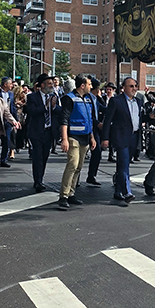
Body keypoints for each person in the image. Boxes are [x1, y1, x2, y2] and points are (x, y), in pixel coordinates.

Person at [58, 75, 97, 209]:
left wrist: (92, 137)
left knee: (79, 167)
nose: (91, 87)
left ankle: (71, 193)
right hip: (73, 136)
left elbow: (89, 120)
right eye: (89, 84)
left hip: (85, 137)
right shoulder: (69, 99)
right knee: (72, 165)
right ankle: (63, 195)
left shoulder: (87, 99)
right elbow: (64, 120)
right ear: (82, 86)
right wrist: (64, 139)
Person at [101, 77, 142, 205]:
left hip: (134, 136)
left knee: (123, 164)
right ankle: (127, 191)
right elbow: (107, 121)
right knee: (124, 163)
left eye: (135, 86)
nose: (134, 88)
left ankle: (118, 191)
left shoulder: (139, 101)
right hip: (120, 136)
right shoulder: (116, 101)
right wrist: (105, 138)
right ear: (123, 88)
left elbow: (139, 118)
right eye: (131, 86)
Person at [23, 73, 57, 192]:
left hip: (49, 131)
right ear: (42, 85)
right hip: (36, 131)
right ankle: (38, 181)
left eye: (52, 84)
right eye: (49, 83)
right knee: (37, 157)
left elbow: (59, 111)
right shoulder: (32, 97)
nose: (51, 86)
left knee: (44, 156)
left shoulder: (54, 97)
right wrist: (46, 106)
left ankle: (40, 178)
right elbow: (31, 111)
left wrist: (53, 107)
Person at [85, 78, 104, 186]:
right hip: (87, 129)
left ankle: (91, 175)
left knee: (97, 153)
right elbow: (89, 115)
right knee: (81, 155)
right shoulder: (87, 98)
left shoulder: (96, 99)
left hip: (95, 131)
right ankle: (76, 179)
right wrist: (98, 123)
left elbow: (103, 108)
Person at [0, 77, 17, 168]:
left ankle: (3, 160)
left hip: (8, 121)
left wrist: (15, 120)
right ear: (5, 84)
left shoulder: (11, 94)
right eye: (10, 84)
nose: (12, 85)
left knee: (7, 140)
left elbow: (12, 108)